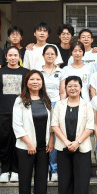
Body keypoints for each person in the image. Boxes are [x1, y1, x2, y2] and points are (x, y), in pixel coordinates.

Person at [52, 76, 94, 194]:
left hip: (82, 149)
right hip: (63, 148)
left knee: (81, 183)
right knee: (64, 182)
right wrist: (66, 142)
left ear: (81, 88)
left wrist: (77, 142)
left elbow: (90, 127)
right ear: (65, 89)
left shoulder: (87, 105)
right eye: (69, 86)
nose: (73, 88)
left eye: (76, 85)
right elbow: (54, 125)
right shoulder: (59, 104)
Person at [13, 70, 54, 194]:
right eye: (32, 79)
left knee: (41, 182)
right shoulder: (20, 100)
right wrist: (29, 143)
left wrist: (51, 140)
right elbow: (17, 124)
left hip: (44, 148)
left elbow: (51, 123)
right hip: (26, 148)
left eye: (38, 79)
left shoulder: (46, 100)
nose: (35, 82)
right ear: (27, 82)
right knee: (24, 183)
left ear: (42, 82)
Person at [0, 47, 30, 184]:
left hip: (21, 112)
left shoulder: (26, 72)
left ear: (19, 57)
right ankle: (4, 170)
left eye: (15, 55)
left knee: (18, 141)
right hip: (3, 111)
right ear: (6, 57)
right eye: (10, 55)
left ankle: (15, 170)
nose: (13, 58)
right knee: (4, 141)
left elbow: (29, 93)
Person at [40, 45, 64, 182]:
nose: (50, 56)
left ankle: (54, 169)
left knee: (54, 136)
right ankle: (44, 168)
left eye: (52, 54)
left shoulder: (61, 72)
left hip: (56, 104)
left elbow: (63, 92)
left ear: (56, 56)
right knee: (42, 135)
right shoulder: (37, 71)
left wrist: (61, 106)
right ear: (43, 55)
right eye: (47, 54)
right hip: (40, 104)